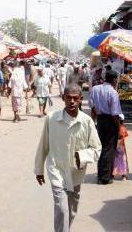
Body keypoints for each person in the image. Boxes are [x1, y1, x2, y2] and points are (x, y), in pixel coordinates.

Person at [34, 84, 101, 232]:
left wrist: (83, 156)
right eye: (68, 98)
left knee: (71, 211)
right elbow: (43, 145)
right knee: (62, 209)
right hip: (56, 170)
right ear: (63, 98)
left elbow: (97, 149)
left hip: (76, 174)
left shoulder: (86, 122)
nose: (71, 101)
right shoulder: (52, 119)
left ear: (80, 99)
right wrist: (39, 169)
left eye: (75, 98)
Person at [90, 70, 123, 185]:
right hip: (110, 121)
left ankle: (101, 175)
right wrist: (119, 128)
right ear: (114, 80)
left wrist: (93, 122)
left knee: (101, 147)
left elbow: (92, 108)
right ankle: (105, 177)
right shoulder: (113, 93)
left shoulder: (95, 89)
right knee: (109, 149)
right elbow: (115, 114)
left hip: (100, 120)